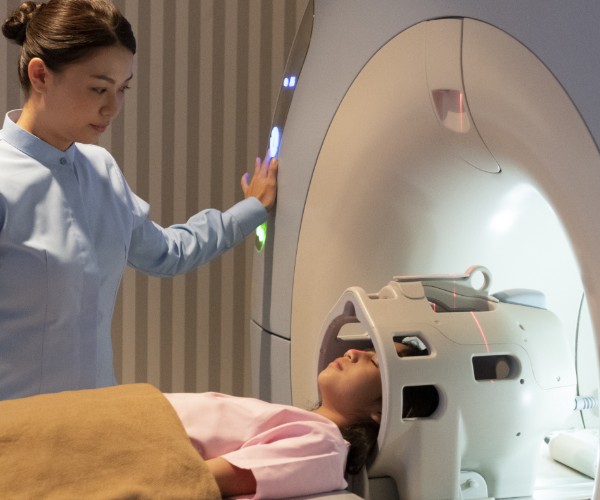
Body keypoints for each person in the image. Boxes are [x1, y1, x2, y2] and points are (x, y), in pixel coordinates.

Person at [0, 0, 278, 400]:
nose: (113, 107)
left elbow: (167, 252)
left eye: (122, 89)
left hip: (98, 422)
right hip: (17, 437)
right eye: (99, 88)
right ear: (41, 75)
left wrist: (250, 210)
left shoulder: (101, 170)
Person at [167, 341, 427, 498]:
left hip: (153, 443)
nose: (352, 351)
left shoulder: (325, 445)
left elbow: (198, 480)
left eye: (373, 361)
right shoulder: (308, 427)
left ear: (383, 410)